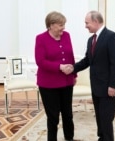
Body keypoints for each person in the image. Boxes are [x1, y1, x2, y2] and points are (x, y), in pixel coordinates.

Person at [71, 10, 115, 141]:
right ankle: (102, 138)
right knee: (99, 117)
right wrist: (72, 68)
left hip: (108, 88)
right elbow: (88, 60)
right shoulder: (91, 40)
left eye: (87, 23)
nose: (85, 26)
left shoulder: (111, 37)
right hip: (96, 87)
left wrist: (113, 85)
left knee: (106, 119)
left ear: (96, 21)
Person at [34, 11, 77, 141]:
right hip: (48, 84)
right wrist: (59, 67)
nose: (63, 28)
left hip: (67, 81)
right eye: (60, 25)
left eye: (63, 24)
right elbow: (40, 61)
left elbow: (71, 55)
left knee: (68, 114)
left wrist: (74, 74)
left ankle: (69, 137)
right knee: (53, 116)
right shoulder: (41, 38)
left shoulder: (67, 36)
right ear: (51, 25)